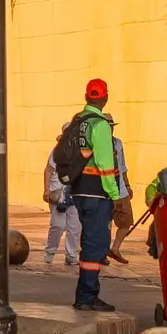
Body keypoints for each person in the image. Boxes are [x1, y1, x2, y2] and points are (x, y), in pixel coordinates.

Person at [70, 79, 119, 313]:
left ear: (86, 96)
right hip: (97, 192)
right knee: (96, 244)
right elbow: (105, 164)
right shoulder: (100, 125)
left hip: (78, 189)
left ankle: (84, 294)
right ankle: (87, 296)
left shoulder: (77, 121)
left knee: (89, 241)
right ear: (105, 98)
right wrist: (114, 193)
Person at [43, 144, 81, 268]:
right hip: (58, 193)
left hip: (75, 192)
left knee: (74, 226)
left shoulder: (83, 151)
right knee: (58, 224)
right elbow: (48, 169)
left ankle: (71, 255)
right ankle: (50, 250)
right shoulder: (57, 151)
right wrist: (46, 190)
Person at [109, 134, 135, 265]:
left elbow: (122, 165)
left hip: (121, 189)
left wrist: (127, 184)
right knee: (105, 224)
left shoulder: (118, 143)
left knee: (127, 221)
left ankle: (115, 249)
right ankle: (101, 253)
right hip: (106, 190)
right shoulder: (97, 142)